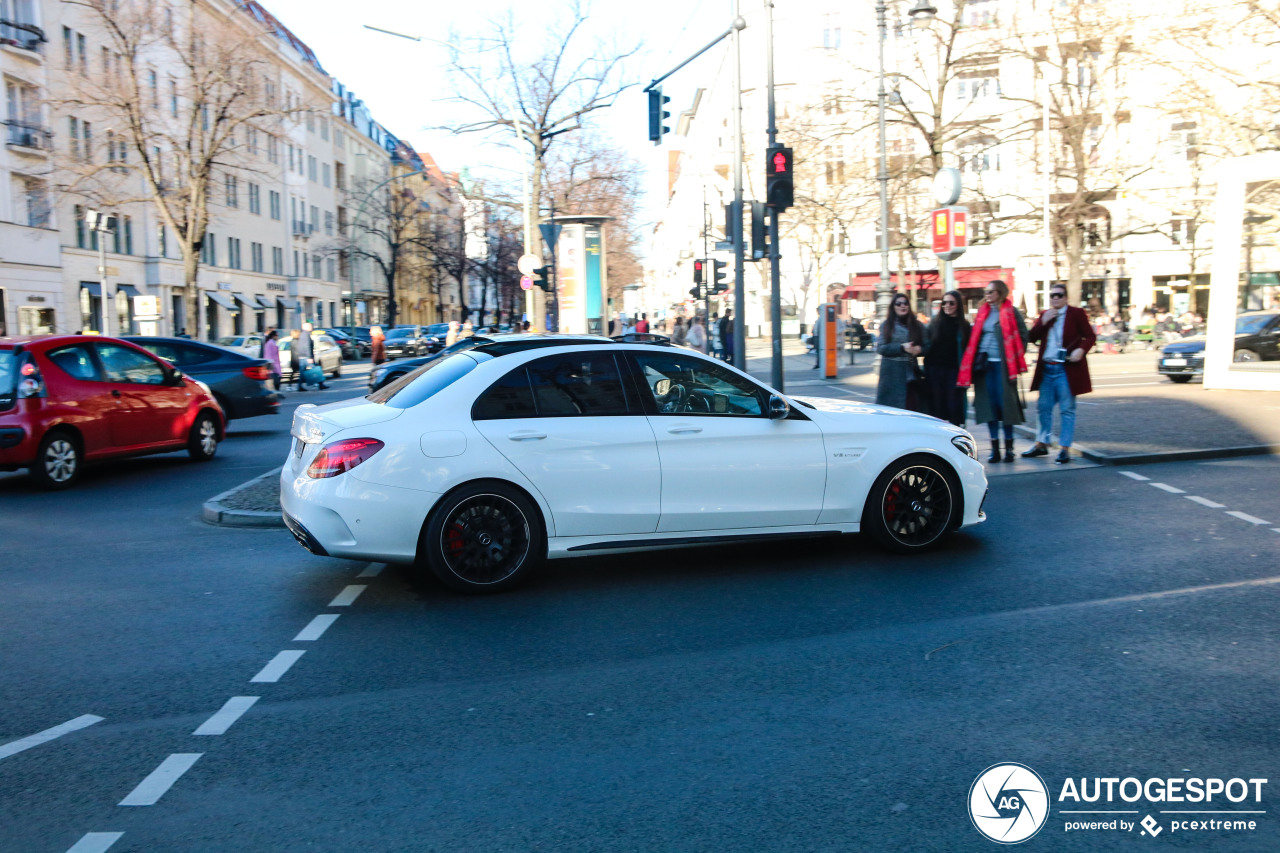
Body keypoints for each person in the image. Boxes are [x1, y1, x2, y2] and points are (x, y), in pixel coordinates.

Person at [1021, 285, 1097, 463]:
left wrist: (1081, 350)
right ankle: (1041, 444)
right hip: (1047, 368)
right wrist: (1043, 321)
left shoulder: (1076, 313)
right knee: (1043, 409)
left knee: (1067, 410)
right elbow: (1031, 337)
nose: (1055, 298)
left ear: (1066, 298)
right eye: (1052, 295)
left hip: (1066, 368)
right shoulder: (1045, 315)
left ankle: (1064, 448)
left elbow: (1090, 336)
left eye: (1059, 295)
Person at [957, 280, 1028, 463]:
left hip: (1005, 367)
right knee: (989, 408)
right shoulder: (982, 312)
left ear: (1000, 292)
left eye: (990, 292)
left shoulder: (1011, 312)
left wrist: (1015, 355)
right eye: (985, 292)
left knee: (1007, 408)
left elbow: (1023, 335)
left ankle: (1009, 449)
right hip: (985, 366)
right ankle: (995, 449)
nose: (987, 295)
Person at [923, 290, 970, 426]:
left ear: (958, 305)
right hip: (935, 371)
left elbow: (968, 349)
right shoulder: (934, 324)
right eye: (944, 303)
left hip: (955, 372)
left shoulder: (964, 326)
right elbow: (927, 346)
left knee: (954, 407)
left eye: (951, 303)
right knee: (937, 407)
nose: (947, 306)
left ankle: (954, 437)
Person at [874, 294, 925, 407]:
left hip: (910, 374)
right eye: (898, 304)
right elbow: (881, 348)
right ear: (893, 307)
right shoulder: (886, 325)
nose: (903, 306)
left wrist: (920, 349)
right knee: (890, 410)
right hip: (891, 375)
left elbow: (928, 345)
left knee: (911, 408)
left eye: (905, 303)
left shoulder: (917, 325)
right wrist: (902, 347)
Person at [263, 329, 283, 396]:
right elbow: (268, 355)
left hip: (275, 364)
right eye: (277, 335)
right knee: (275, 380)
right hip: (273, 364)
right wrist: (271, 364)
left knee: (277, 379)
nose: (278, 337)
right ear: (273, 336)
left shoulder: (272, 342)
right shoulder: (270, 343)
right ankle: (276, 392)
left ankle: (277, 392)